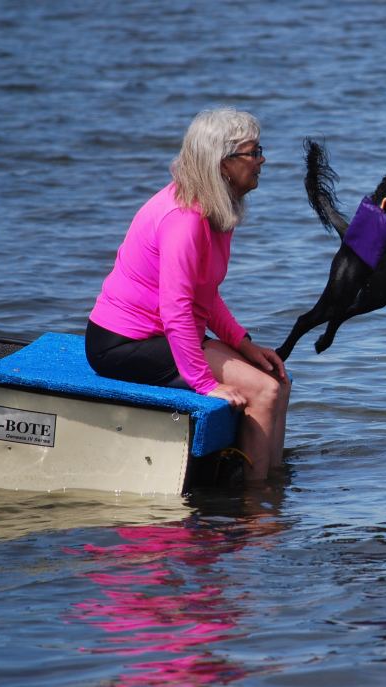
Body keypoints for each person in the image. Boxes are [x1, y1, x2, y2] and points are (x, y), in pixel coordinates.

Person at [85, 107, 289, 482]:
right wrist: (206, 385)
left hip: (167, 335)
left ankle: (275, 482)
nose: (262, 160)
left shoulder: (217, 209)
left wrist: (244, 345)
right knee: (263, 391)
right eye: (254, 152)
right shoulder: (184, 220)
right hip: (123, 344)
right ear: (223, 163)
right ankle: (256, 504)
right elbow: (176, 310)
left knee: (275, 379)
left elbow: (204, 294)